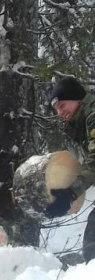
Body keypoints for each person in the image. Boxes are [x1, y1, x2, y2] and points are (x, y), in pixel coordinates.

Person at [46, 76, 95, 263]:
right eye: (57, 109)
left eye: (62, 105)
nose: (60, 112)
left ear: (76, 98)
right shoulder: (84, 120)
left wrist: (71, 192)